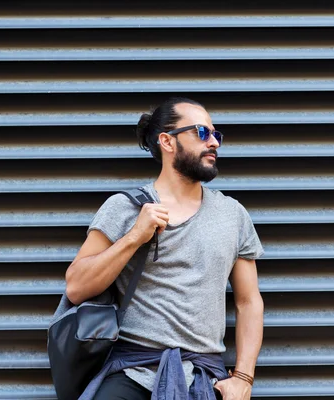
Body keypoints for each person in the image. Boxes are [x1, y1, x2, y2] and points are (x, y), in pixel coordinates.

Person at [65, 97, 264, 400]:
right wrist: (134, 237)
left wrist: (243, 378)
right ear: (167, 142)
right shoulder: (125, 208)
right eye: (201, 132)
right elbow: (76, 287)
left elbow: (248, 302)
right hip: (131, 371)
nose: (214, 143)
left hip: (202, 377)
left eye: (215, 134)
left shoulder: (233, 214)